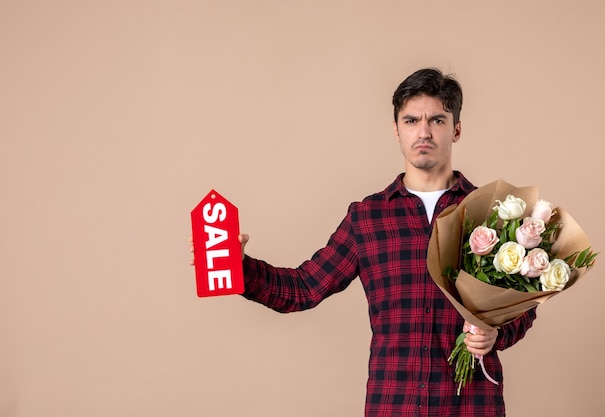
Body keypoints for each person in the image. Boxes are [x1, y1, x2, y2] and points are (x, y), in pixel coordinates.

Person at [193, 68, 536, 416]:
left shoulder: (493, 214)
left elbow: (523, 306)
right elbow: (303, 287)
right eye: (411, 120)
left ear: (456, 129)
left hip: (472, 406)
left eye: (437, 120)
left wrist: (497, 336)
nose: (423, 131)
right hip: (394, 404)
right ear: (396, 130)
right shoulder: (367, 217)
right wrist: (236, 266)